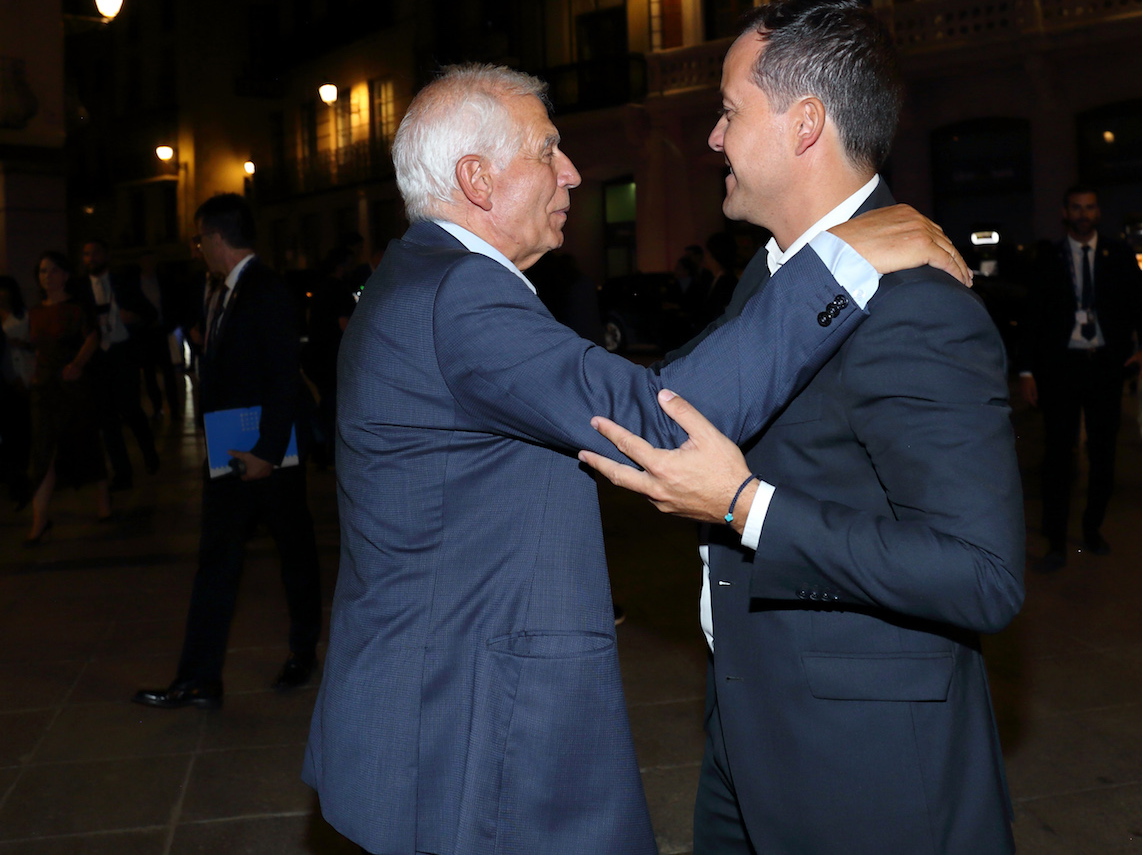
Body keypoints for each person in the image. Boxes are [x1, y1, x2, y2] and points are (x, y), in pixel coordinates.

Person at [302, 62, 967, 855]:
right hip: (472, 720)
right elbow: (657, 419)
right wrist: (839, 260)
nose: (572, 172)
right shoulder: (461, 293)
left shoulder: (414, 275)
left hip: (425, 697)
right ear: (477, 179)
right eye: (547, 151)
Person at [580, 0, 1025, 855]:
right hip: (748, 731)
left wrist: (746, 506)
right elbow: (673, 402)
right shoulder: (777, 272)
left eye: (729, 111)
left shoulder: (919, 309)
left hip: (864, 773)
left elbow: (982, 575)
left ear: (805, 124)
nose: (714, 138)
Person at [133, 194, 322, 709]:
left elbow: (283, 377)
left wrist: (266, 451)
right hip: (228, 445)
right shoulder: (221, 290)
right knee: (216, 560)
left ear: (217, 239)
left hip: (270, 452)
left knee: (295, 553)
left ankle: (304, 651)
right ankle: (198, 678)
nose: (197, 250)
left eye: (200, 240)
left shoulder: (266, 289)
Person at [1019, 185, 1142, 573]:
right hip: (1060, 368)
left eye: (1090, 207)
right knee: (1057, 455)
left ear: (1098, 212)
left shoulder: (1119, 254)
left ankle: (1092, 528)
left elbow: (1141, 304)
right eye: (1076, 208)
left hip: (1105, 367)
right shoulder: (1049, 257)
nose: (1083, 214)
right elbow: (1032, 316)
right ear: (1065, 213)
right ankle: (1056, 540)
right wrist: (1026, 370)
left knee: (1103, 452)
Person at [24, 252, 109, 544]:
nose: (47, 276)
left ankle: (103, 499)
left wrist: (77, 364)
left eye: (52, 270)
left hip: (72, 385)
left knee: (85, 441)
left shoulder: (76, 307)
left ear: (65, 275)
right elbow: (38, 348)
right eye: (42, 271)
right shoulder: (35, 311)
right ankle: (39, 521)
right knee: (42, 452)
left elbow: (92, 337)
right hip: (44, 387)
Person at [81, 239, 160, 488]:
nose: (91, 259)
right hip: (98, 357)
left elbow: (150, 313)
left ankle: (149, 453)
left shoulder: (123, 283)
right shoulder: (81, 289)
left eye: (95, 253)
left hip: (124, 353)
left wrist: (134, 317)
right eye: (86, 254)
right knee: (106, 418)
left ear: (106, 255)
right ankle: (122, 472)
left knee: (131, 409)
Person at [303, 247, 356, 465]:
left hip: (317, 356)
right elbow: (345, 325)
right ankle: (334, 456)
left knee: (325, 407)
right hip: (334, 358)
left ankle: (322, 452)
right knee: (335, 409)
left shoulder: (320, 288)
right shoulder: (340, 290)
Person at [0, 275, 35, 504]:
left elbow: (35, 343)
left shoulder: (24, 316)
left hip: (21, 373)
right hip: (5, 379)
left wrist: (21, 344)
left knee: (20, 428)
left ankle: (20, 474)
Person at [136, 253, 181, 420]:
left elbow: (171, 304)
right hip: (145, 332)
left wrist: (169, 324)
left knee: (167, 372)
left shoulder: (163, 282)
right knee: (150, 374)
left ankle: (173, 409)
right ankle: (158, 408)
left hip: (160, 331)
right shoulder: (137, 284)